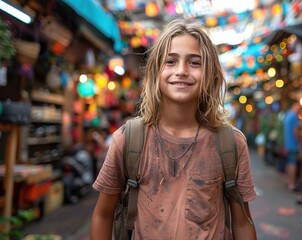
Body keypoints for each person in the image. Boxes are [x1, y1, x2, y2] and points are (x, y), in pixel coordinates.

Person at [90, 18, 257, 239]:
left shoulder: (230, 143)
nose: (181, 71)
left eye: (195, 63)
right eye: (170, 61)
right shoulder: (128, 140)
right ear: (155, 72)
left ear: (211, 74)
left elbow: (243, 224)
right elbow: (103, 215)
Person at [283, 100, 301, 191]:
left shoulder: (287, 115)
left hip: (288, 143)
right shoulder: (294, 116)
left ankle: (288, 181)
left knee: (289, 162)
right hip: (293, 143)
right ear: (295, 105)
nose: (300, 107)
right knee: (292, 163)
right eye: (299, 105)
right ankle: (292, 184)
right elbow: (295, 131)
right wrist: (299, 141)